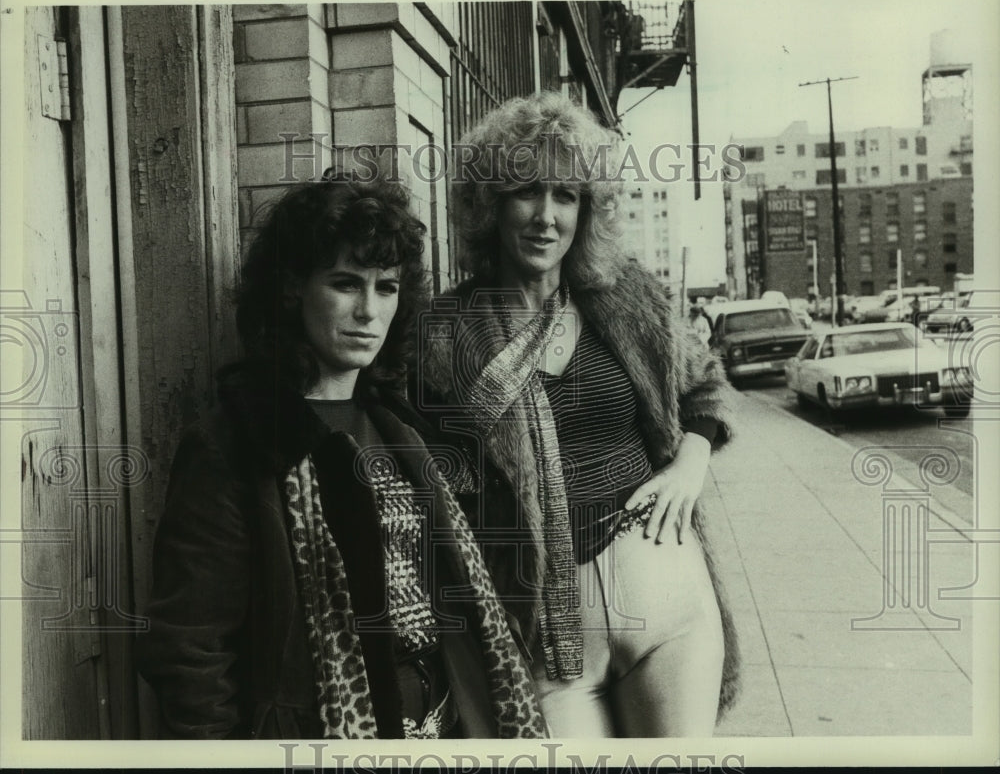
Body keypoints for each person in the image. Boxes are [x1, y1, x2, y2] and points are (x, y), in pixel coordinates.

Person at [136, 174, 547, 740]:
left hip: (449, 729)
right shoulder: (237, 443)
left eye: (386, 287)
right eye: (346, 284)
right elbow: (189, 650)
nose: (369, 311)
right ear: (292, 290)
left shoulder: (407, 428)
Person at [415, 93, 741, 737]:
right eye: (525, 191)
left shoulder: (625, 297)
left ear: (587, 209)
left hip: (668, 603)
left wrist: (690, 464)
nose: (546, 216)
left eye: (565, 195)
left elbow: (704, 386)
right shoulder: (444, 333)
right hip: (545, 639)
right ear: (489, 203)